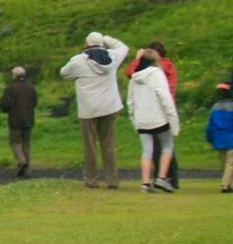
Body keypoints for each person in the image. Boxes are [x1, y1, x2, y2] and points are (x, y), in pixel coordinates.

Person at [58, 32, 129, 189]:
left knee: (90, 145)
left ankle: (91, 180)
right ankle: (112, 180)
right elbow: (123, 47)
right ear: (101, 43)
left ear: (86, 43)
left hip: (88, 109)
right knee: (108, 144)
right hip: (110, 106)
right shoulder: (113, 56)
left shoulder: (78, 60)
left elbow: (63, 73)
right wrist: (106, 38)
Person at [124, 42, 179, 189]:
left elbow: (130, 102)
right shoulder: (157, 74)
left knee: (146, 152)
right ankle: (161, 177)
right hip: (159, 118)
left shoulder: (134, 78)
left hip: (141, 119)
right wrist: (173, 121)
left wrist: (133, 120)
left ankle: (145, 182)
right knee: (167, 147)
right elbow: (165, 98)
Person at [0, 65, 38, 178]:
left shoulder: (11, 88)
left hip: (15, 120)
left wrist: (3, 107)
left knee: (14, 142)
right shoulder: (31, 87)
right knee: (26, 144)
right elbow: (35, 102)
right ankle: (27, 171)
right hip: (29, 119)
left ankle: (21, 161)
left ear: (14, 75)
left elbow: (5, 104)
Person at [205, 74, 233, 194]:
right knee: (230, 163)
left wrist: (210, 138)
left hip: (218, 139)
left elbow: (210, 126)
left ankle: (229, 184)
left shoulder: (215, 107)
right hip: (231, 138)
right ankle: (225, 185)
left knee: (224, 163)